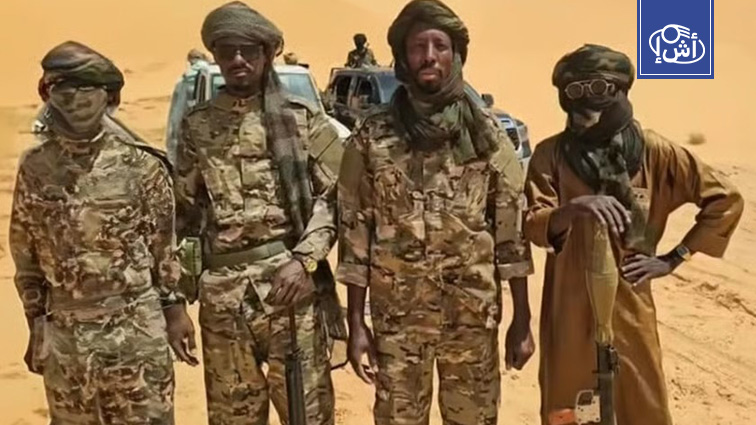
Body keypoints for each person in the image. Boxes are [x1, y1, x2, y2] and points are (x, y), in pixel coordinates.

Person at [337, 1, 535, 424]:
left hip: (471, 322)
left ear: (456, 54)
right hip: (398, 324)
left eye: (440, 46)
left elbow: (511, 233)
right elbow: (355, 233)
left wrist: (522, 318)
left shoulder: (486, 134)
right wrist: (356, 323)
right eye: (418, 46)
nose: (429, 56)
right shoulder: (372, 135)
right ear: (403, 57)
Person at [524, 44, 744, 425]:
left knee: (642, 406)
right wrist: (574, 208)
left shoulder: (654, 153)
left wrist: (674, 258)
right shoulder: (551, 156)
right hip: (569, 309)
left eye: (597, 89)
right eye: (573, 91)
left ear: (620, 91)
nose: (583, 103)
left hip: (631, 308)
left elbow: (725, 199)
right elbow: (533, 223)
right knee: (569, 408)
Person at [174, 2, 346, 424]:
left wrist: (304, 260)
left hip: (290, 294)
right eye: (227, 50)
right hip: (223, 302)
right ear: (215, 55)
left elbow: (340, 196)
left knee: (308, 415)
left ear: (266, 53)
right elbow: (182, 215)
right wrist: (174, 298)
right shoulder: (196, 126)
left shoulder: (302, 119)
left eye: (248, 50)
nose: (238, 60)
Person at [9, 40, 197, 424]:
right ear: (48, 94)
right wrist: (36, 324)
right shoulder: (35, 168)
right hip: (67, 340)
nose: (74, 98)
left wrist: (175, 312)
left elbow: (164, 250)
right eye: (62, 87)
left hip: (136, 333)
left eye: (86, 88)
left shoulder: (143, 166)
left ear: (109, 96)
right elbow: (26, 255)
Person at [165, 48, 210, 165]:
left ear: (189, 61)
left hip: (190, 135)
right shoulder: (218, 74)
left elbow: (176, 116)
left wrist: (172, 149)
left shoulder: (184, 80)